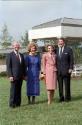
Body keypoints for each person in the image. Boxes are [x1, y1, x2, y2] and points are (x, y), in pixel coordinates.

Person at [6, 42, 25, 108]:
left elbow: (23, 66)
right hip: (13, 76)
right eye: (15, 46)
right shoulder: (10, 55)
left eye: (17, 45)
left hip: (20, 76)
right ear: (13, 46)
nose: (16, 47)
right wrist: (10, 75)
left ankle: (18, 103)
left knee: (19, 90)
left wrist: (24, 75)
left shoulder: (21, 55)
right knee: (13, 90)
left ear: (19, 47)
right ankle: (12, 104)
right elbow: (8, 66)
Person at [56, 37, 74, 102]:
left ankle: (67, 98)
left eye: (61, 41)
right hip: (59, 71)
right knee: (60, 86)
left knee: (67, 85)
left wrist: (71, 68)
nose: (60, 43)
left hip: (67, 70)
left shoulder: (69, 49)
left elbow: (71, 60)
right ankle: (61, 98)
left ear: (64, 42)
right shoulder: (57, 50)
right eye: (59, 41)